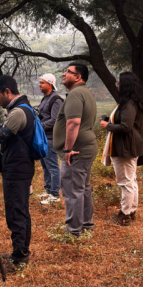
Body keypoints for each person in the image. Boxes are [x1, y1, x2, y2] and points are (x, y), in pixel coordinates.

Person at [0, 75, 35, 273]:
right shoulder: (20, 108)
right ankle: (21, 251)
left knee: (16, 214)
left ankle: (18, 259)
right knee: (20, 211)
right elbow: (5, 136)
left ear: (7, 92)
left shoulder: (18, 113)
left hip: (17, 170)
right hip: (19, 166)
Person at [53, 63, 98, 236]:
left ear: (78, 77)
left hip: (76, 151)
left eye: (68, 72)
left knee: (72, 191)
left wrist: (67, 149)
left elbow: (73, 123)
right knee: (83, 188)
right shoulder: (85, 92)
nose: (64, 74)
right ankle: (86, 225)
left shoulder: (75, 94)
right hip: (86, 148)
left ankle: (73, 231)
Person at [100, 72, 143, 226]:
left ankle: (125, 214)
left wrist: (108, 126)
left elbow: (126, 127)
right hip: (128, 147)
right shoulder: (131, 102)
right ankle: (131, 211)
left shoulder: (129, 104)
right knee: (131, 181)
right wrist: (111, 122)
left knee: (126, 182)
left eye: (119, 82)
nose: (117, 84)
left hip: (125, 148)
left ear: (126, 84)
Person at [37, 74, 63, 205]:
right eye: (39, 83)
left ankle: (55, 194)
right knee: (45, 166)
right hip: (43, 137)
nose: (39, 85)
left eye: (42, 83)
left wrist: (38, 126)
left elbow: (55, 120)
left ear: (50, 84)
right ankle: (48, 190)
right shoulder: (45, 99)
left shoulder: (56, 100)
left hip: (51, 138)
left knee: (52, 166)